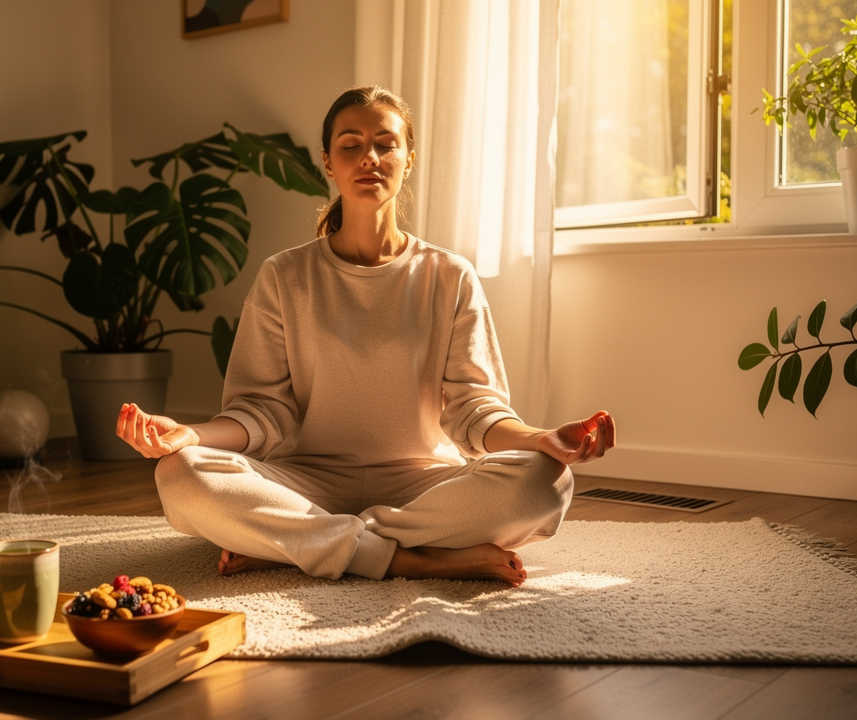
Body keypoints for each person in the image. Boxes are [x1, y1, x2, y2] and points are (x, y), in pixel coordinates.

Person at [115, 86, 614, 587]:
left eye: (385, 143)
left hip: (423, 486)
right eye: (350, 145)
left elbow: (474, 411)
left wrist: (543, 439)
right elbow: (260, 411)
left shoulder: (449, 275)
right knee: (180, 475)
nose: (369, 158)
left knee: (546, 482)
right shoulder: (283, 276)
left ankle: (305, 547)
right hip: (303, 483)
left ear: (408, 159)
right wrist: (188, 436)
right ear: (329, 164)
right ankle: (412, 558)